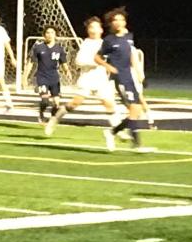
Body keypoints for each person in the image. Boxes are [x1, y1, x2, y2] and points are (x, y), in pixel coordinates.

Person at [45, 17, 125, 137]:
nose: (93, 29)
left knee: (109, 104)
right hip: (87, 79)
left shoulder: (105, 43)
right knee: (75, 103)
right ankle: (54, 119)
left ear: (101, 30)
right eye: (91, 27)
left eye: (96, 27)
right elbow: (78, 61)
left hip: (101, 79)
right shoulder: (86, 43)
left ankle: (118, 131)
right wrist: (95, 63)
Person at [94, 8, 152, 152]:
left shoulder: (129, 37)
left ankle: (111, 132)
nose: (119, 22)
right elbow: (97, 57)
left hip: (130, 77)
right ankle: (136, 144)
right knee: (133, 109)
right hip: (119, 78)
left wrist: (140, 75)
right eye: (115, 20)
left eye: (121, 19)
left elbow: (132, 56)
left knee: (136, 111)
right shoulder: (109, 40)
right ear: (111, 23)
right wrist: (109, 67)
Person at [23, 26, 68, 125]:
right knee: (45, 100)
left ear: (55, 35)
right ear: (44, 35)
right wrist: (24, 77)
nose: (50, 35)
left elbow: (63, 62)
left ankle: (52, 118)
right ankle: (41, 114)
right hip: (42, 77)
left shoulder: (59, 49)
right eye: (47, 33)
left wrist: (67, 71)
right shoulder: (38, 48)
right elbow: (31, 62)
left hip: (54, 78)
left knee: (56, 103)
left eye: (52, 32)